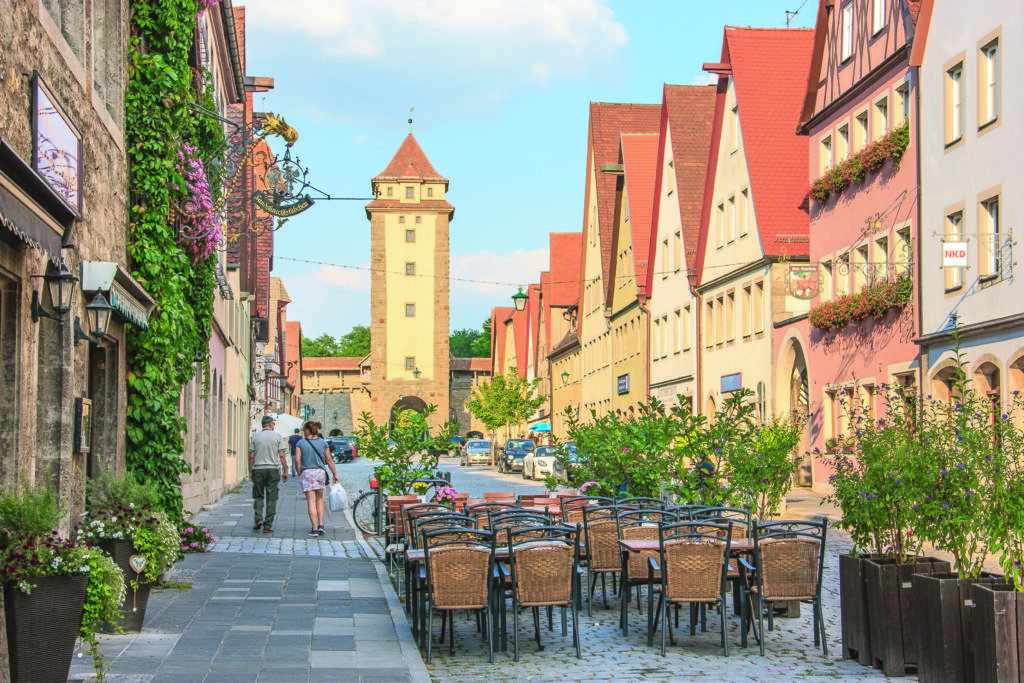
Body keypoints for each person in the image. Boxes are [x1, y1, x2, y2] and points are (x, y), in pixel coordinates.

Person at [294, 420, 339, 537]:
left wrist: (299, 474)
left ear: (308, 430)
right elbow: (329, 460)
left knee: (310, 500)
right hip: (320, 472)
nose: (303, 432)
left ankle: (314, 528)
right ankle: (321, 525)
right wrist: (335, 474)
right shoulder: (323, 443)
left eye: (304, 429)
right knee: (320, 499)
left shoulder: (301, 443)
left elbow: (297, 460)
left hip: (307, 473)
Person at [249, 415, 289, 533]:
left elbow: (251, 455)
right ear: (270, 424)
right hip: (273, 469)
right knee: (272, 497)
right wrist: (285, 471)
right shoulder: (277, 436)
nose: (274, 426)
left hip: (258, 469)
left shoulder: (255, 436)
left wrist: (250, 470)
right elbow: (281, 455)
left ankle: (258, 519)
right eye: (274, 424)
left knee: (258, 495)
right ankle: (268, 524)